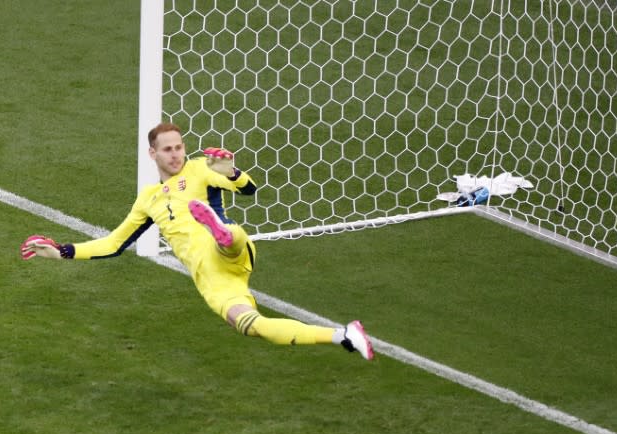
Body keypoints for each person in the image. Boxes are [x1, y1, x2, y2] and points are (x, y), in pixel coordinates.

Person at [21, 122, 374, 360]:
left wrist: (230, 172)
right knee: (251, 325)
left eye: (179, 147)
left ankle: (219, 231)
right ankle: (342, 335)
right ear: (152, 154)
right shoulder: (148, 199)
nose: (176, 154)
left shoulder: (201, 169)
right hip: (219, 279)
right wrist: (62, 252)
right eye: (168, 150)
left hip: (228, 249)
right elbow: (114, 243)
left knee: (224, 237)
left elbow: (249, 189)